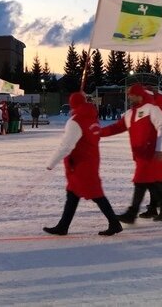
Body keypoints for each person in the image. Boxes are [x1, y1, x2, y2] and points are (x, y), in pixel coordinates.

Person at [43, 92, 123, 236]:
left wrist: (51, 163)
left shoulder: (75, 121)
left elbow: (66, 146)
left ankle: (114, 223)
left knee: (96, 194)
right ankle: (63, 225)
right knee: (73, 193)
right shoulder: (92, 118)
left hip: (81, 163)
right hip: (90, 160)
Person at [101, 84, 162, 223]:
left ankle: (132, 213)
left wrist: (160, 149)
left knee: (141, 182)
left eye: (132, 94)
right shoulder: (129, 114)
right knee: (149, 183)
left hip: (150, 154)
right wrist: (97, 132)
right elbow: (116, 127)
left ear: (140, 95)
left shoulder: (152, 109)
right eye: (129, 94)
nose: (130, 97)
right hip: (140, 155)